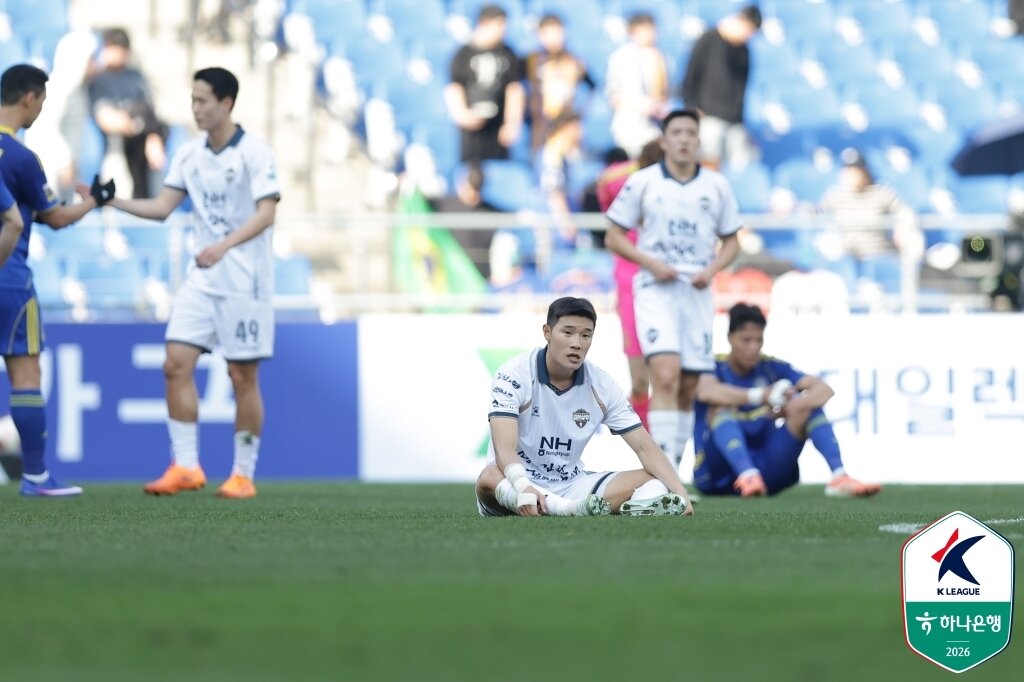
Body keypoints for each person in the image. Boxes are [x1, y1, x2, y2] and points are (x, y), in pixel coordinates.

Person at [84, 67, 280, 499]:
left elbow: (267, 212)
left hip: (245, 282)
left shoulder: (255, 153)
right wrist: (109, 200)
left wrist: (224, 246)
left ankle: (243, 473)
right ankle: (186, 466)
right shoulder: (189, 154)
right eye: (192, 100)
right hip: (202, 279)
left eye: (203, 100)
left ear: (226, 103)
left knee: (241, 375)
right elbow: (162, 206)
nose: (195, 108)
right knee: (175, 365)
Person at [604, 109, 742, 473]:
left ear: (698, 140)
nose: (683, 139)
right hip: (655, 289)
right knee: (664, 375)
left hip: (696, 294)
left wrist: (711, 270)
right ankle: (664, 479)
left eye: (690, 133)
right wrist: (649, 262)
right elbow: (613, 236)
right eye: (676, 132)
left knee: (687, 386)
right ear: (664, 141)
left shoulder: (716, 185)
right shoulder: (644, 182)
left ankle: (673, 474)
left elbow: (732, 242)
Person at [475, 296, 693, 517]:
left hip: (572, 485)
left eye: (586, 335)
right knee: (488, 477)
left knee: (656, 477)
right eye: (568, 332)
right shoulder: (514, 374)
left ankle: (640, 508)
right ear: (547, 332)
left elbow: (644, 446)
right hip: (517, 485)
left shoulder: (602, 384)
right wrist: (523, 487)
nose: (577, 343)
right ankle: (566, 509)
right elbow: (504, 450)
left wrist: (681, 494)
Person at [0, 64, 111, 497]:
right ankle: (35, 476)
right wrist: (96, 201)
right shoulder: (22, 159)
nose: (42, 109)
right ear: (29, 97)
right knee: (25, 375)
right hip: (10, 281)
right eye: (42, 100)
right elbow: (56, 218)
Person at [692, 303, 882, 498]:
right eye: (746, 340)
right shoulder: (713, 365)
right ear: (730, 338)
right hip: (716, 474)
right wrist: (762, 395)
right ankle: (747, 474)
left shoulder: (771, 366)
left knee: (807, 406)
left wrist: (796, 405)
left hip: (766, 473)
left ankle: (840, 476)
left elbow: (825, 389)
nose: (753, 347)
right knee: (720, 409)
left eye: (759, 340)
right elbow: (706, 392)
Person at [595, 139, 663, 430]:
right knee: (639, 379)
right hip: (630, 285)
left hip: (668, 287)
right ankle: (645, 443)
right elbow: (604, 194)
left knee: (669, 378)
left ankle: (664, 449)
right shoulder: (620, 180)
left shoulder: (688, 188)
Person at [818, 148, 922, 309]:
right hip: (847, 254)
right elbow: (814, 215)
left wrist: (901, 227)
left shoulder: (881, 192)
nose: (850, 175)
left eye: (855, 170)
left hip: (878, 252)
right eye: (847, 170)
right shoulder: (836, 194)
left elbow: (906, 212)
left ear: (864, 171)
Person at [87, 28, 166, 199]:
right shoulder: (99, 79)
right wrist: (134, 125)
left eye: (120, 47)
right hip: (114, 147)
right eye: (111, 47)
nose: (116, 52)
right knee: (118, 190)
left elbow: (149, 110)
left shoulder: (135, 76)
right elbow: (106, 119)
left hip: (141, 144)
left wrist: (152, 135)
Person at [681, 5, 761, 169]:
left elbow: (741, 89)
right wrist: (692, 107)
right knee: (709, 167)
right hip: (709, 117)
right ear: (740, 21)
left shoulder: (744, 51)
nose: (748, 36)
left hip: (734, 120)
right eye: (748, 30)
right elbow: (691, 75)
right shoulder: (708, 40)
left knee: (742, 166)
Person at [445, 5, 524, 163]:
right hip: (472, 132)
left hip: (497, 129)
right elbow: (454, 88)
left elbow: (514, 90)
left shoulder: (508, 54)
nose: (503, 30)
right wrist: (462, 114)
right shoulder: (463, 55)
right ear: (484, 23)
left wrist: (512, 123)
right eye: (499, 24)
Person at [524, 14, 594, 151]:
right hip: (540, 124)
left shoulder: (574, 61)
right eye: (548, 33)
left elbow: (591, 88)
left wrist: (580, 112)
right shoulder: (531, 61)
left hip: (566, 124)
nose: (553, 38)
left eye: (557, 32)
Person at [605, 13, 669, 158]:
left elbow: (666, 92)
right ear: (633, 32)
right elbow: (613, 96)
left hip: (655, 126)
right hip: (630, 125)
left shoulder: (661, 57)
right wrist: (642, 105)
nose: (650, 35)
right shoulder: (621, 57)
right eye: (645, 30)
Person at [538, 111, 584, 247]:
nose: (580, 134)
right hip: (553, 228)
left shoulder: (566, 156)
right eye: (576, 128)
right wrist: (567, 226)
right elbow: (554, 195)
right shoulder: (552, 155)